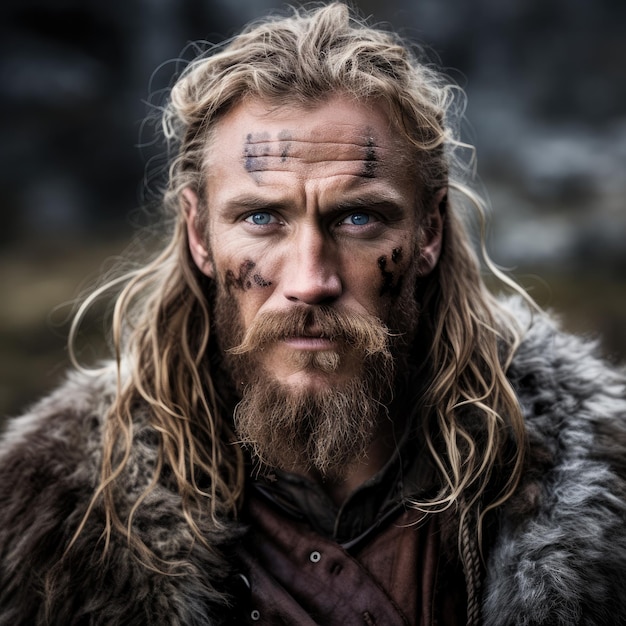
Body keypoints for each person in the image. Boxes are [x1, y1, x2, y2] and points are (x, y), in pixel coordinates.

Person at [1, 3, 625, 624]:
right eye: (261, 218)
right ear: (199, 235)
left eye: (358, 218)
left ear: (430, 232)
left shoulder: (598, 479)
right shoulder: (53, 501)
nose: (310, 281)